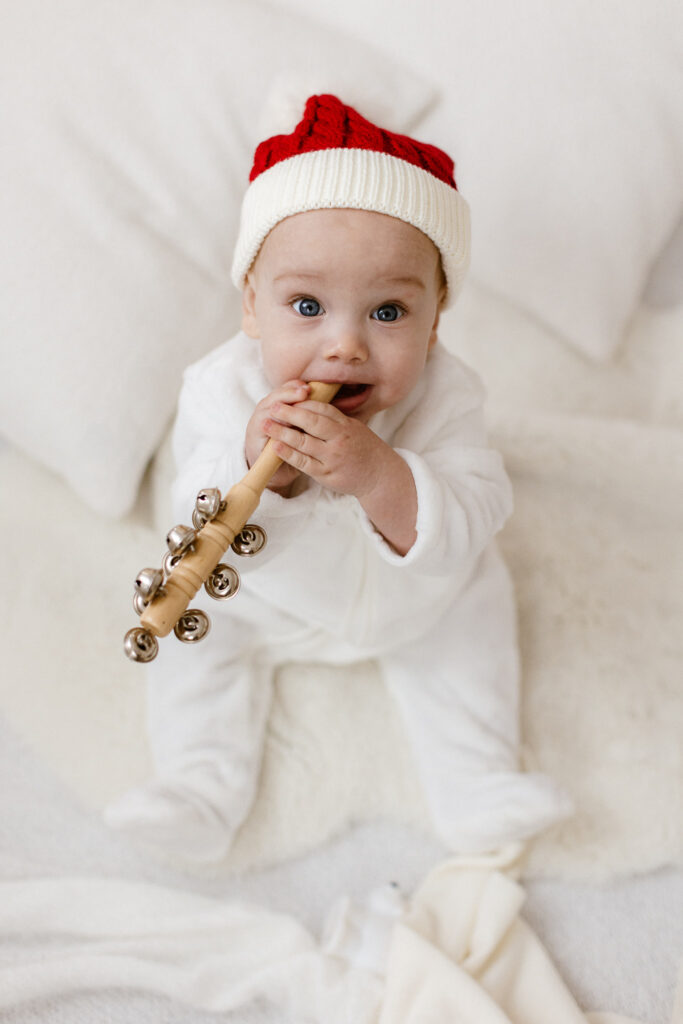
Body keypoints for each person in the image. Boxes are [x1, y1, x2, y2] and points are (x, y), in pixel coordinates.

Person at [106, 94, 571, 863]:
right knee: (199, 646)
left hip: (415, 604)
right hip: (262, 600)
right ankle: (197, 785)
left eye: (388, 312)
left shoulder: (448, 394)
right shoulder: (218, 392)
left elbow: (478, 508)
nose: (345, 345)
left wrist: (381, 476)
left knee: (479, 610)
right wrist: (268, 477)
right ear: (252, 306)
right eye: (308, 305)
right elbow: (193, 513)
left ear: (436, 319)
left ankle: (478, 784)